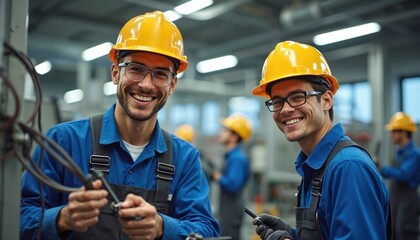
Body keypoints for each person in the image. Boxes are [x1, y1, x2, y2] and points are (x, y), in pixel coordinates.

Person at [20, 11, 220, 240]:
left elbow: (206, 231)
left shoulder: (184, 159)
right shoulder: (64, 142)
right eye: (136, 69)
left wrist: (162, 228)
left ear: (172, 84)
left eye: (160, 74)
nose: (146, 84)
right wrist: (62, 218)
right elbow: (18, 217)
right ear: (116, 73)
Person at [250, 40, 391, 240]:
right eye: (277, 101)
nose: (286, 109)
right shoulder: (316, 167)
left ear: (326, 100)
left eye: (297, 97)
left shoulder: (347, 168)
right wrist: (292, 234)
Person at [211, 113, 252, 240]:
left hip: (232, 210)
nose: (221, 133)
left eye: (225, 130)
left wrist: (215, 175)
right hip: (228, 208)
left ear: (234, 137)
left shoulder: (237, 158)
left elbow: (232, 185)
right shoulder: (231, 156)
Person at [380, 111, 420, 240]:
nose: (391, 135)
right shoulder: (399, 152)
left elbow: (404, 174)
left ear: (403, 133)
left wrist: (383, 169)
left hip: (408, 203)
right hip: (396, 201)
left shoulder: (414, 154)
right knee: (393, 232)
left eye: (394, 131)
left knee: (404, 233)